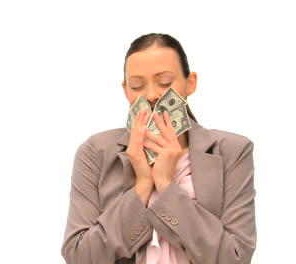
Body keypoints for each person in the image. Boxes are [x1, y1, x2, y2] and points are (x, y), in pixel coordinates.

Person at [61, 33, 256, 264]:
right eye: (137, 85)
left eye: (164, 82)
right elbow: (79, 256)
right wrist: (142, 186)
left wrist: (165, 185)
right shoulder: (95, 152)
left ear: (190, 83)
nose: (152, 94)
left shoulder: (232, 151)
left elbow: (235, 258)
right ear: (125, 91)